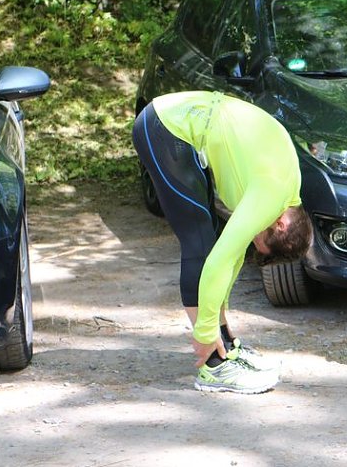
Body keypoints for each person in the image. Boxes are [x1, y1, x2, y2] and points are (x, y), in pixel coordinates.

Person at [132, 90, 312, 394]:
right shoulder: (270, 194)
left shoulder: (289, 191)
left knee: (210, 238)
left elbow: (234, 255)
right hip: (165, 126)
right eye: (260, 239)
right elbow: (219, 261)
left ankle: (226, 346)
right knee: (199, 242)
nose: (254, 237)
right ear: (281, 225)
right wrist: (204, 330)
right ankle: (212, 364)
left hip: (183, 127)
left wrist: (222, 323)